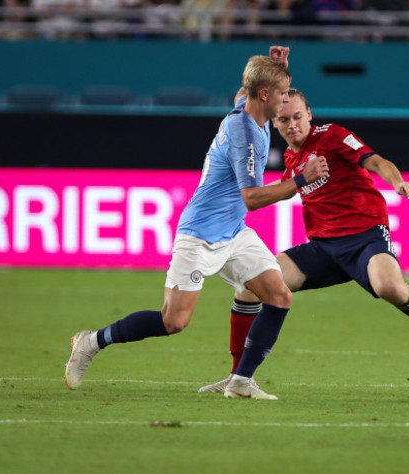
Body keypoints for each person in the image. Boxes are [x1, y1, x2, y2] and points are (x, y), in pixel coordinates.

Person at [64, 46, 330, 400]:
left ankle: (240, 381)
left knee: (279, 295)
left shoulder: (248, 106)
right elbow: (251, 198)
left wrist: (277, 69)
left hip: (233, 232)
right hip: (200, 236)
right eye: (282, 94)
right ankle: (91, 341)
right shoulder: (246, 134)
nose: (286, 102)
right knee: (174, 322)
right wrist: (301, 179)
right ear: (264, 95)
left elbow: (246, 89)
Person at [199, 88, 409, 395]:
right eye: (284, 120)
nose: (293, 124)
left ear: (309, 114)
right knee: (249, 286)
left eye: (298, 116)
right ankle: (239, 379)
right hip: (323, 249)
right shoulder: (293, 159)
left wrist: (398, 181)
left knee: (390, 287)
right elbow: (247, 105)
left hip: (366, 238)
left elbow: (375, 161)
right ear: (276, 124)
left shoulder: (332, 135)